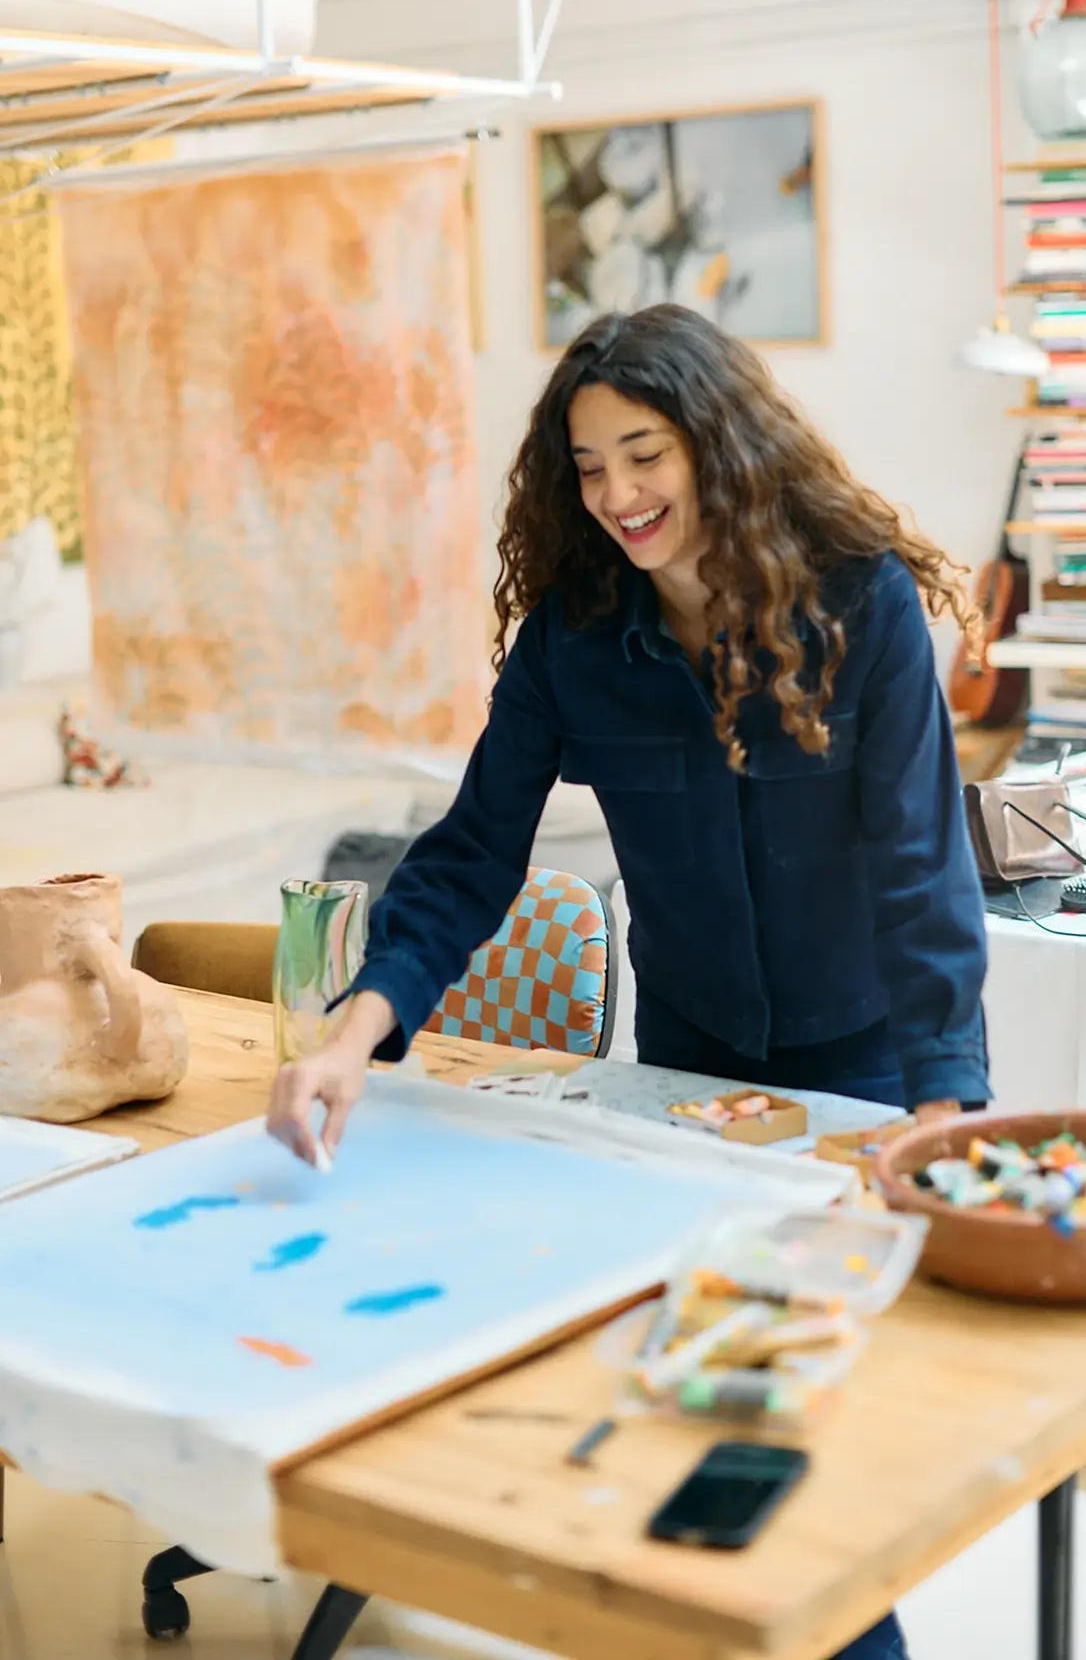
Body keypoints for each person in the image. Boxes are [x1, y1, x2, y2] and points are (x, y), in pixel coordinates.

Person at [268, 304, 988, 1660]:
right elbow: (472, 851)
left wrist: (944, 1102)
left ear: (718, 439)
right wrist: (352, 1030)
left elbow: (921, 870)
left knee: (808, 1428)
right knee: (696, 1408)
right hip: (691, 1073)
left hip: (863, 1074)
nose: (616, 496)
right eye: (587, 468)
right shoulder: (575, 638)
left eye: (644, 453)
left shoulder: (858, 601)